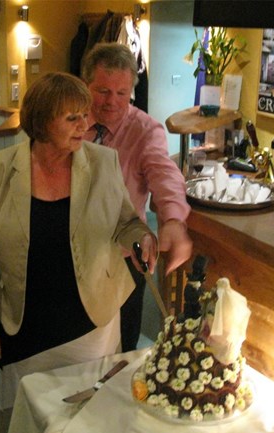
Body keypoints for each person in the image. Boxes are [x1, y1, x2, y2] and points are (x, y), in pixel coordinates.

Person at [0, 72, 157, 433]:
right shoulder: (0, 168)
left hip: (89, 316)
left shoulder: (103, 162)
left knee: (84, 413)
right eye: (72, 116)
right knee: (29, 413)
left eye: (84, 114)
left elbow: (127, 222)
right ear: (42, 121)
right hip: (25, 318)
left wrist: (142, 238)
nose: (84, 123)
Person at [81, 42, 192, 352]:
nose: (112, 102)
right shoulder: (71, 122)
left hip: (124, 255)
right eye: (103, 91)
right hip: (76, 252)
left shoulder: (145, 130)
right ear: (86, 84)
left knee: (123, 347)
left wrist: (172, 219)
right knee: (79, 348)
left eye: (122, 93)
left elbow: (164, 172)